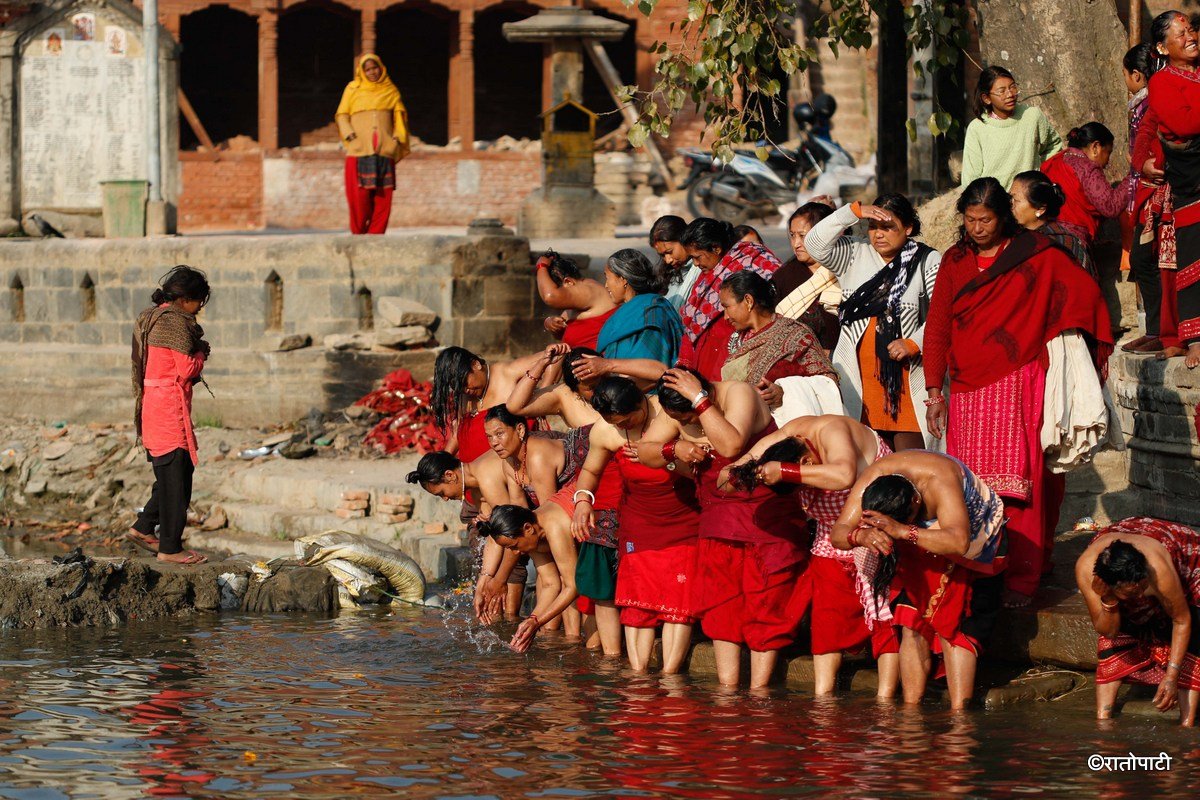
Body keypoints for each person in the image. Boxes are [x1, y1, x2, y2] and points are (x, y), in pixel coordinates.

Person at [923, 177, 1113, 608]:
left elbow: (1081, 294)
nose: (977, 228)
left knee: (1021, 482)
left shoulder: (1036, 254)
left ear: (1003, 216)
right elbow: (937, 328)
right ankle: (975, 568)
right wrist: (935, 392)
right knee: (972, 485)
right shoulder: (955, 260)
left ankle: (1021, 580)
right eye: (970, 220)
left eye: (985, 219)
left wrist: (1070, 340)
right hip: (967, 387)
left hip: (1020, 377)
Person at [636, 367, 809, 688]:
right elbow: (645, 451)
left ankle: (760, 692)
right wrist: (673, 449)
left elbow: (730, 445)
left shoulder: (737, 394)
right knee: (721, 607)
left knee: (765, 604)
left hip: (765, 518)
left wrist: (700, 402)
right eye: (678, 419)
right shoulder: (679, 411)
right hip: (717, 521)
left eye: (686, 416)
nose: (686, 424)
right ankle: (727, 690)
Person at [722, 415, 898, 698]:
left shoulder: (832, 430)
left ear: (804, 463)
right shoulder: (788, 433)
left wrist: (787, 473)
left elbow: (843, 475)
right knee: (827, 621)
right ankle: (822, 699)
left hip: (875, 530)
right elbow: (725, 480)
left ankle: (886, 700)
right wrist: (747, 471)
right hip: (831, 537)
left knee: (882, 620)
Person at [830, 451, 1007, 711]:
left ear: (916, 500)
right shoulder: (872, 479)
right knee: (910, 622)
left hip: (972, 537)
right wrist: (861, 535)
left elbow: (959, 541)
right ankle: (911, 714)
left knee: (955, 628)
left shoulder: (939, 478)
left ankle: (960, 718)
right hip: (915, 542)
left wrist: (903, 531)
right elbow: (838, 532)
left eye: (911, 516)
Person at [576, 376, 702, 673]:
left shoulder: (670, 412)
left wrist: (664, 455)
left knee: (677, 606)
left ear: (641, 404)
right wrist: (583, 500)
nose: (623, 428)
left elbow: (701, 465)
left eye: (627, 420)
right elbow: (590, 470)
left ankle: (670, 678)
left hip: (682, 520)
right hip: (637, 523)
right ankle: (638, 678)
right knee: (637, 603)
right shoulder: (605, 431)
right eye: (616, 423)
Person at [804, 193, 942, 451]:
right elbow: (814, 242)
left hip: (907, 383)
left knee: (911, 464)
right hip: (858, 382)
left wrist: (914, 342)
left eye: (888, 227)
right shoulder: (853, 254)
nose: (878, 234)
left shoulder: (927, 260)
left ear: (908, 228)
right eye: (873, 227)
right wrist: (854, 211)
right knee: (867, 466)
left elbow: (944, 314)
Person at [1075, 517, 1200, 725]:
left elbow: (1182, 620)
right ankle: (1103, 722)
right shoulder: (1086, 570)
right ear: (1108, 586)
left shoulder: (1156, 569)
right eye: (1135, 592)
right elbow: (1108, 631)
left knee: (1197, 624)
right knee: (1118, 633)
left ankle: (1186, 724)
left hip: (1185, 556)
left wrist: (1171, 677)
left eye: (1143, 587)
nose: (1142, 594)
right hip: (1117, 568)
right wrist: (1108, 601)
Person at [128, 266, 211, 565]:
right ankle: (170, 548)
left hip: (152, 403)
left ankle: (143, 527)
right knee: (177, 480)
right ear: (186, 299)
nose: (199, 308)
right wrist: (201, 352)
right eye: (199, 301)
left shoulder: (151, 316)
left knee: (170, 473)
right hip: (167, 407)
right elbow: (187, 369)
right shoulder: (174, 323)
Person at [1133, 11, 1200, 367]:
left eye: (1190, 28)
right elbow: (1178, 122)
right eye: (1180, 32)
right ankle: (1187, 336)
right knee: (1181, 262)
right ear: (1162, 46)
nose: (1190, 35)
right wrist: (1142, 161)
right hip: (1186, 180)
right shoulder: (1162, 82)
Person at [406, 450, 526, 622]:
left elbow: (513, 536)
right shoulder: (477, 490)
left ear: (450, 475)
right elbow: (495, 538)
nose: (445, 499)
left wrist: (499, 580)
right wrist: (483, 583)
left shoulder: (486, 478)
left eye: (441, 493)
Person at [717, 270, 842, 424]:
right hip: (740, 429)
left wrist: (786, 392)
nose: (725, 316)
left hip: (788, 430)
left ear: (748, 301)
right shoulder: (733, 341)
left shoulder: (796, 335)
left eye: (727, 307)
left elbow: (829, 383)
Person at [678, 217, 782, 381]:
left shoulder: (751, 261)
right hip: (705, 359)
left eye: (698, 257)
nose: (696, 264)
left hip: (735, 358)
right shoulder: (707, 276)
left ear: (716, 248)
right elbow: (691, 326)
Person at [478, 505, 580, 653]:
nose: (516, 552)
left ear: (528, 528)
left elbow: (574, 586)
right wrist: (532, 619)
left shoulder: (553, 527)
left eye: (515, 546)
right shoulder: (534, 536)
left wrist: (537, 621)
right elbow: (549, 584)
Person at [431, 346, 548, 461]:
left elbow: (554, 355)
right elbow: (457, 433)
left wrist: (542, 398)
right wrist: (443, 461)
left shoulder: (507, 372)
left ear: (475, 364)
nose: (464, 390)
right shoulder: (464, 393)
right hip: (472, 473)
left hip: (511, 470)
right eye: (457, 386)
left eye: (464, 382)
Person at [335, 54, 410, 235]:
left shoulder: (391, 90)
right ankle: (358, 237)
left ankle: (375, 239)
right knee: (360, 200)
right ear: (362, 71)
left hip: (385, 152)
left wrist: (396, 140)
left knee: (383, 200)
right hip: (359, 152)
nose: (372, 72)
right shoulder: (353, 89)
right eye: (367, 69)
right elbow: (342, 115)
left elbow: (399, 119)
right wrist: (351, 136)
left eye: (374, 68)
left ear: (381, 68)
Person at [1122, 43, 1165, 353]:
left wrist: (1147, 164)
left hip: (1156, 191)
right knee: (1145, 260)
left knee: (1147, 259)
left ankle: (1162, 330)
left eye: (1126, 75)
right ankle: (1155, 328)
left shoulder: (1153, 103)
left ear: (1136, 75)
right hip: (1144, 190)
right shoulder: (1141, 105)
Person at [960, 65, 1063, 189]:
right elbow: (970, 177)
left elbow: (1054, 145)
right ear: (986, 98)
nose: (1010, 94)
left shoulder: (1032, 116)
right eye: (1002, 91)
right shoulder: (977, 128)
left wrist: (1038, 175)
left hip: (1028, 200)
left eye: (1013, 87)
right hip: (994, 202)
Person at [1040, 123, 1128, 247]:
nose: (1108, 161)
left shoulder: (1058, 160)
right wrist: (1134, 176)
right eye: (1108, 152)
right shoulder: (1087, 168)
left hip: (1048, 234)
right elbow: (1110, 206)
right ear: (1096, 147)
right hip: (1072, 240)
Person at [594, 249, 682, 366]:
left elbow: (653, 365)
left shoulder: (652, 312)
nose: (606, 285)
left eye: (607, 277)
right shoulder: (626, 313)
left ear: (622, 279)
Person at [774, 202, 841, 350]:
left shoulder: (845, 269)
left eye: (803, 236)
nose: (796, 243)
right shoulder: (783, 278)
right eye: (792, 235)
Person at [1009, 170, 1095, 277]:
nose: (1010, 205)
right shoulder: (1016, 238)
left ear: (1040, 209)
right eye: (1010, 198)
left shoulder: (1062, 245)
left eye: (1016, 200)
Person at [535, 251, 616, 351]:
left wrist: (541, 266)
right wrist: (550, 322)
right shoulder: (575, 303)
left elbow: (550, 297)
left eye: (559, 290)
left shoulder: (587, 289)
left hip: (594, 360)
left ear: (569, 282)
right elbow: (562, 329)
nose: (561, 296)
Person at [650, 215, 704, 311]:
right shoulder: (670, 273)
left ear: (683, 239)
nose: (668, 260)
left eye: (669, 252)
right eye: (662, 255)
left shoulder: (702, 268)